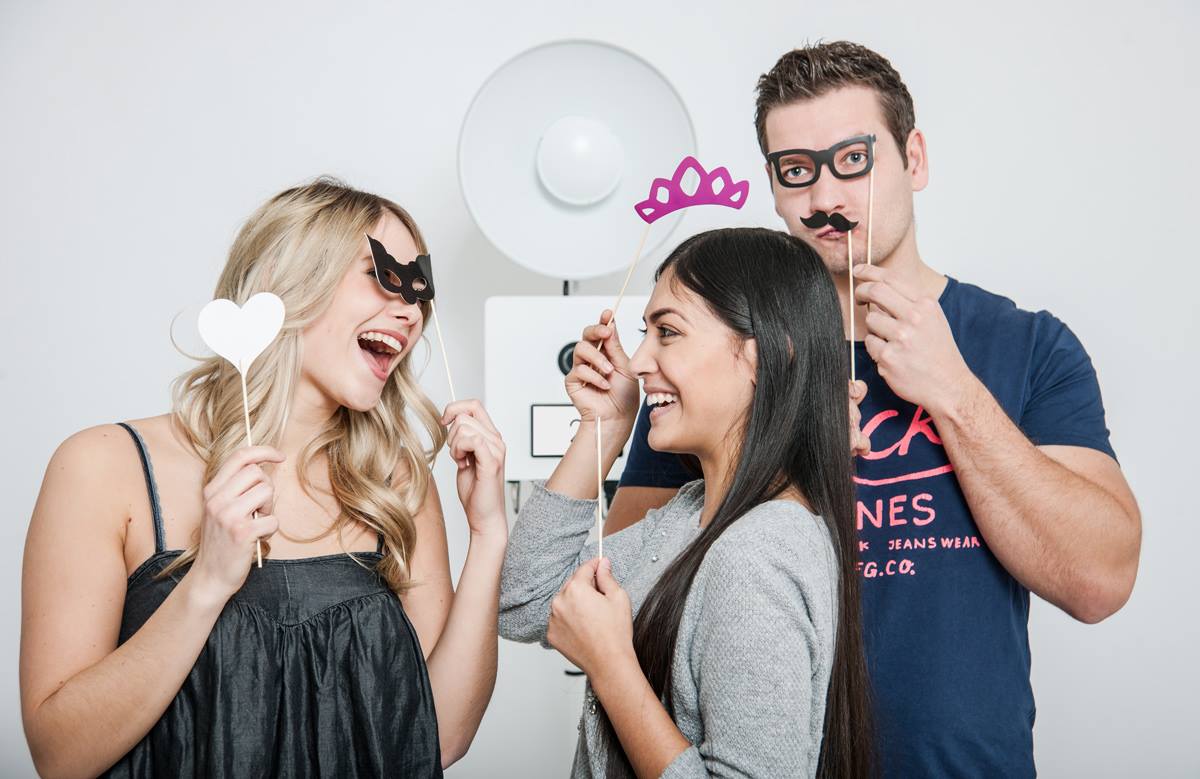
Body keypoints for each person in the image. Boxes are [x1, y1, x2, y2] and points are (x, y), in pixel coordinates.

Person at [605, 42, 1142, 775]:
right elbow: (621, 597)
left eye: (853, 161)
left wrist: (951, 389)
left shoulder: (1026, 345)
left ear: (913, 159)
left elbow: (1100, 580)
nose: (825, 198)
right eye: (797, 171)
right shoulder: (723, 359)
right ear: (774, 185)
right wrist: (790, 450)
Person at [20, 178, 509, 777]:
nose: (409, 309)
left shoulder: (395, 482)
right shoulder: (103, 467)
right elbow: (59, 756)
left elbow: (441, 736)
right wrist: (206, 584)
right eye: (382, 275)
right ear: (287, 278)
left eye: (419, 288)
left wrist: (488, 537)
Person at [499, 228, 873, 778]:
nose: (639, 361)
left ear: (765, 353)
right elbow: (525, 602)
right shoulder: (690, 517)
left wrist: (612, 666)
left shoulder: (758, 552)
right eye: (645, 333)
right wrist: (602, 429)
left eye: (667, 332)